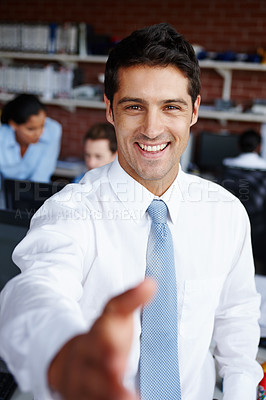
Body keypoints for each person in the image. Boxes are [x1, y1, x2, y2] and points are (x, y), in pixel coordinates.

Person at [0, 23, 263, 400]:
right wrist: (63, 355)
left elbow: (235, 322)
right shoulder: (71, 211)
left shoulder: (226, 214)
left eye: (171, 107)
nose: (152, 129)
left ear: (194, 111)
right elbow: (32, 292)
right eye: (134, 107)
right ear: (109, 110)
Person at [0, 93, 62, 183]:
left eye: (42, 126)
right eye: (31, 129)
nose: (39, 133)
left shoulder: (53, 130)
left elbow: (41, 177)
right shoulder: (2, 136)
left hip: (36, 193)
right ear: (13, 125)